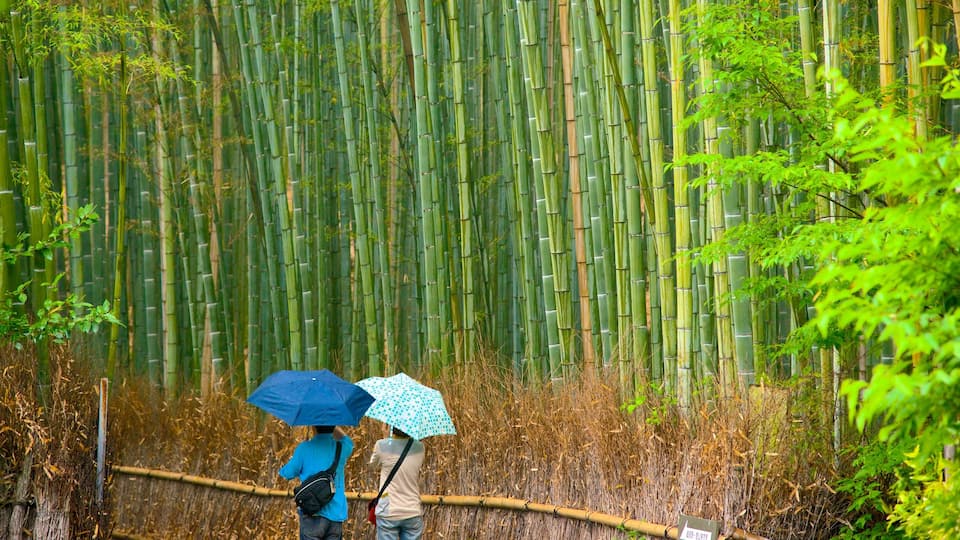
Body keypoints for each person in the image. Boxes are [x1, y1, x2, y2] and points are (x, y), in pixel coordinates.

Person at [280, 425, 354, 540]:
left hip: (312, 513)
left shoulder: (304, 448)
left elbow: (287, 473)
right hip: (336, 514)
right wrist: (333, 425)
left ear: (313, 428)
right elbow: (348, 441)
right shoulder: (341, 447)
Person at [368, 427, 425, 540]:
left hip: (389, 511)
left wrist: (386, 439)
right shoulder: (420, 447)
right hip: (412, 510)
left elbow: (372, 466)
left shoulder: (381, 445)